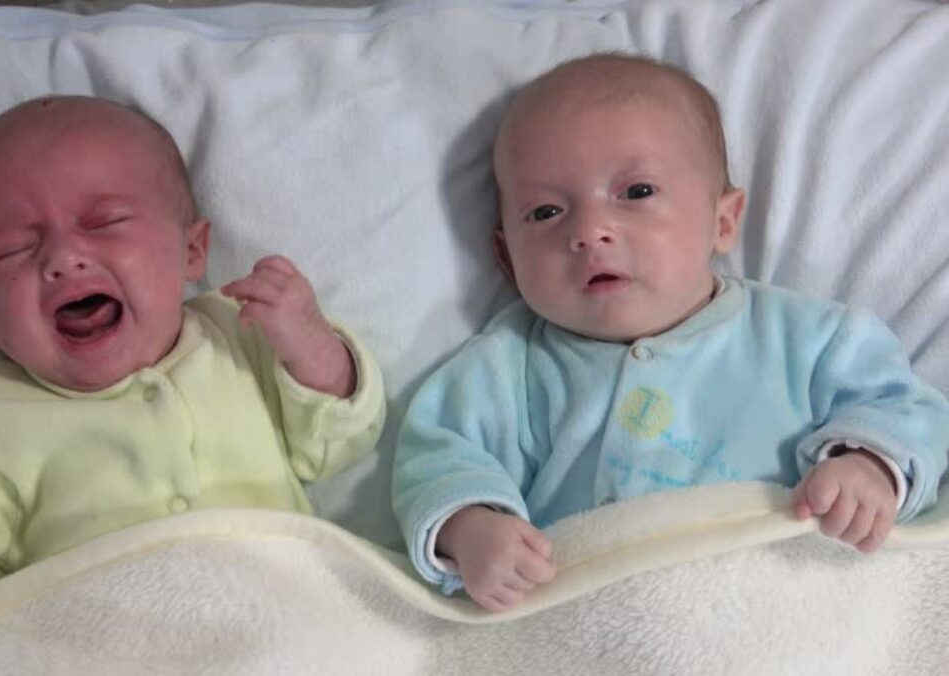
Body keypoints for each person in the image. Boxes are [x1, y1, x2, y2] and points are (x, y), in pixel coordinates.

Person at [392, 53, 949, 612]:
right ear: (507, 259)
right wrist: (470, 530)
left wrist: (867, 466)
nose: (589, 231)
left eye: (636, 192)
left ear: (722, 222)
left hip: (783, 600)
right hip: (591, 618)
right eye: (545, 212)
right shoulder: (509, 366)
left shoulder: (809, 339)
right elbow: (440, 456)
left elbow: (908, 409)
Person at [0, 95, 385, 601]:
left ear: (192, 252)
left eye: (105, 222)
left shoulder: (243, 335)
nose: (62, 257)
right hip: (98, 634)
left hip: (275, 604)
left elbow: (334, 447)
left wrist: (312, 346)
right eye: (13, 250)